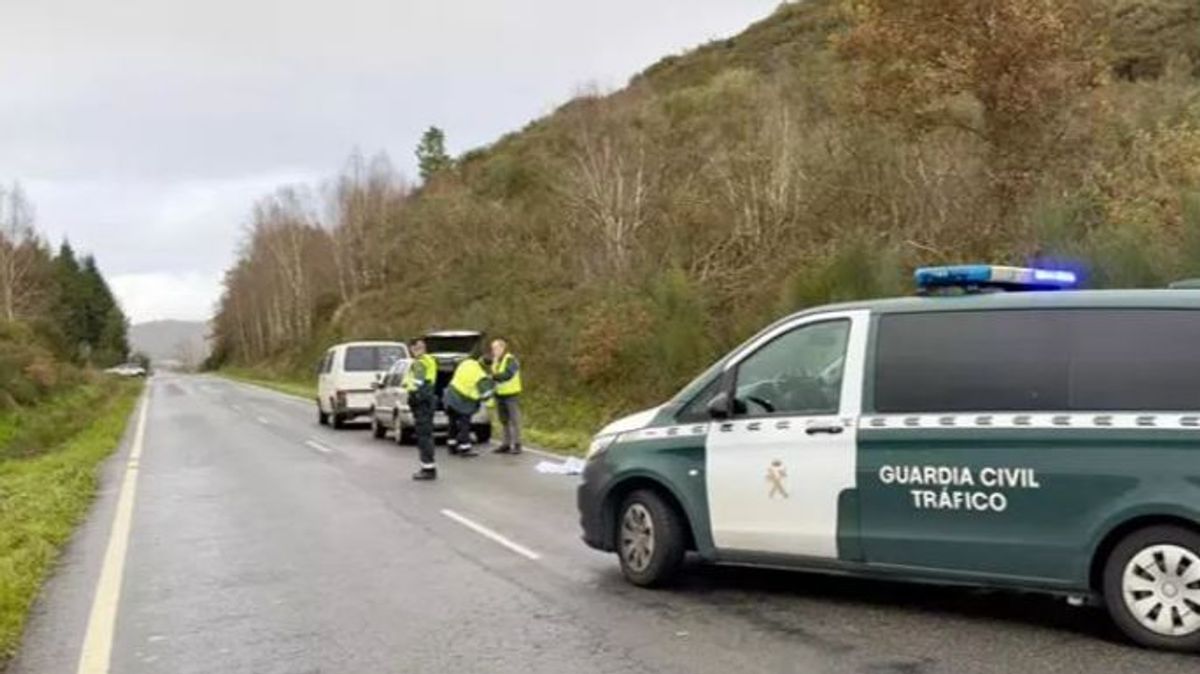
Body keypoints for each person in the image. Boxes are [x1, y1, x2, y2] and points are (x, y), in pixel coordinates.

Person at [443, 349, 494, 458]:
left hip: (450, 395)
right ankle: (465, 448)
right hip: (463, 402)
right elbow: (486, 396)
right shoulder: (481, 376)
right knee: (464, 425)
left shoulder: (466, 362)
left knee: (452, 423)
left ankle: (451, 446)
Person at [404, 339, 440, 481]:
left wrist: (410, 388)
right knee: (426, 434)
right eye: (418, 348)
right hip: (427, 400)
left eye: (420, 347)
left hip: (422, 402)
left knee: (424, 436)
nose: (419, 350)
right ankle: (428, 466)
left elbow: (417, 383)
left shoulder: (420, 363)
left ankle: (428, 468)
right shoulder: (428, 360)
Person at [489, 338, 524, 455]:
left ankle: (517, 444)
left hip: (511, 394)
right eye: (493, 349)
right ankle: (506, 443)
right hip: (499, 394)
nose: (494, 351)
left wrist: (494, 377)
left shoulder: (510, 360)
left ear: (502, 348)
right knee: (503, 420)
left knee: (515, 420)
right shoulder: (496, 360)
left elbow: (508, 375)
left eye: (495, 348)